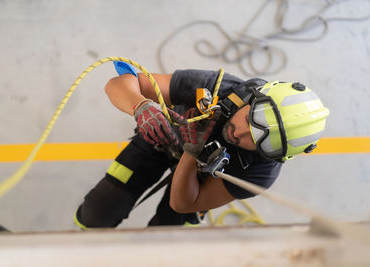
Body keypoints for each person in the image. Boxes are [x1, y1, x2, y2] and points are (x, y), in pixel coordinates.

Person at [74, 64, 329, 228]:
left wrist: (191, 152)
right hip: (159, 139)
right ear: (255, 97)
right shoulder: (219, 88)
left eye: (260, 142)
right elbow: (119, 84)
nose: (239, 133)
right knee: (97, 213)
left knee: (165, 246)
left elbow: (181, 204)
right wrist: (140, 106)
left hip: (200, 181)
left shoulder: (260, 174)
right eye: (253, 118)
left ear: (274, 156)